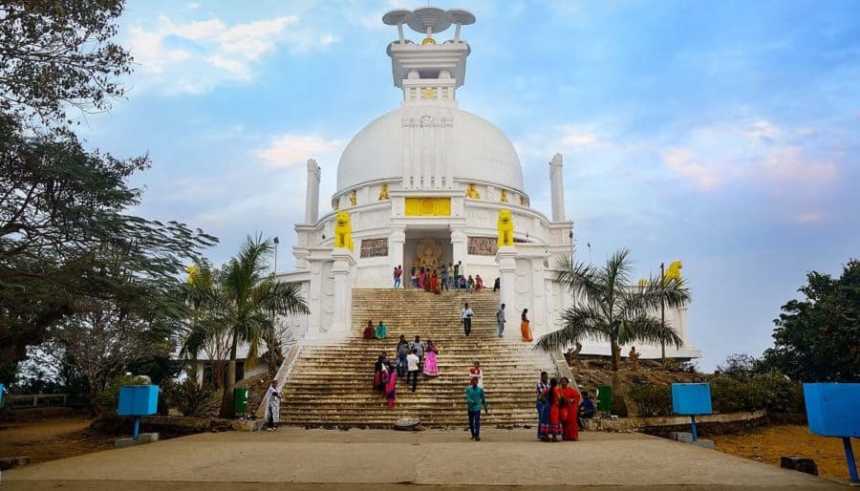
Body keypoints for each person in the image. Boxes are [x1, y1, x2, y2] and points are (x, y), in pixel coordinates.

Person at [465, 376, 488, 441]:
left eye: (476, 381)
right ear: (471, 382)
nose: (475, 382)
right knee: (471, 422)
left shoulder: (480, 390)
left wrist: (485, 407)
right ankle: (473, 434)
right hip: (470, 408)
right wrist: (472, 401)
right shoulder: (468, 389)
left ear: (477, 382)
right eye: (473, 381)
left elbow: (483, 399)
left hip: (477, 408)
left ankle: (477, 435)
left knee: (477, 422)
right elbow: (468, 398)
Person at [559, 377, 582, 441]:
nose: (563, 383)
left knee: (572, 423)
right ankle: (565, 436)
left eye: (564, 381)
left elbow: (577, 396)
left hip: (571, 409)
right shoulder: (559, 390)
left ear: (567, 383)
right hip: (563, 408)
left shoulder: (571, 390)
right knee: (564, 423)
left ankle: (573, 436)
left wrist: (572, 400)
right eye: (562, 381)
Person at [536, 372, 550, 441]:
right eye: (544, 377)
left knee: (546, 419)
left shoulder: (548, 384)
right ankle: (541, 434)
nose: (546, 378)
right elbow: (542, 394)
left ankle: (544, 433)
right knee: (541, 418)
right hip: (541, 403)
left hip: (547, 402)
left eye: (546, 376)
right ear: (541, 377)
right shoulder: (539, 384)